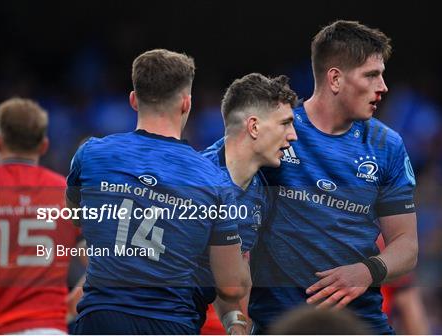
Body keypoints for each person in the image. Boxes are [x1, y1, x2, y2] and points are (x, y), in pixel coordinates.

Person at [248, 20, 418, 334]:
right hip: (282, 324)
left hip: (359, 323)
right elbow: (215, 180)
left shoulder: (387, 145)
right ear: (335, 79)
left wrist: (368, 271)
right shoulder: (275, 129)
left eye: (381, 74)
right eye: (371, 75)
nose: (383, 87)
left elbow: (406, 245)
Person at [66, 49, 250, 334]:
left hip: (100, 320)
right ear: (187, 103)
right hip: (170, 323)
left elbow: (78, 220)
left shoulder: (90, 154)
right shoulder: (213, 179)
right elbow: (230, 286)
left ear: (133, 100)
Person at [198, 73, 298, 334]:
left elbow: (224, 274)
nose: (293, 136)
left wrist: (236, 324)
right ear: (254, 127)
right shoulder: (195, 182)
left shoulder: (261, 191)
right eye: (285, 124)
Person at [0, 98, 83, 334]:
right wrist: (72, 305)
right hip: (48, 327)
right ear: (44, 146)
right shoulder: (65, 193)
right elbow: (103, 264)